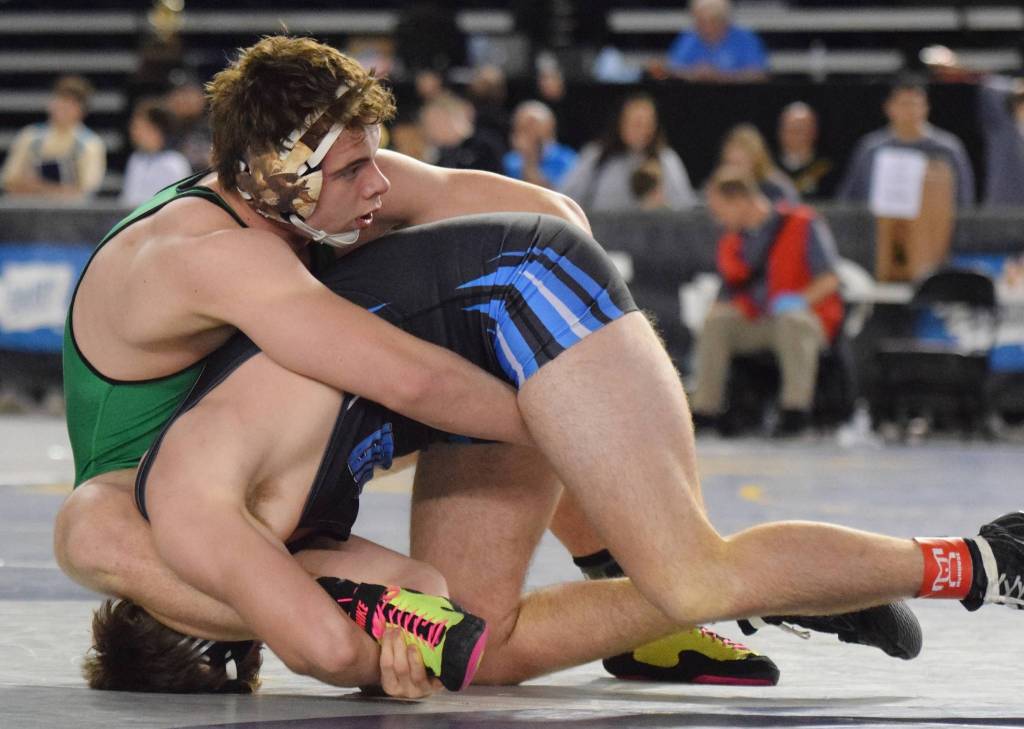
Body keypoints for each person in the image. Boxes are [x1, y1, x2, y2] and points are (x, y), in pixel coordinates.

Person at [57, 36, 1024, 699]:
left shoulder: (266, 244)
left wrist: (593, 432)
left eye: (367, 159)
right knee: (474, 645)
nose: (379, 186)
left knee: (687, 569)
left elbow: (458, 341)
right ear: (276, 176)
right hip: (425, 377)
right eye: (355, 169)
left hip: (493, 321)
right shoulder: (232, 266)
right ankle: (725, 583)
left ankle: (986, 562)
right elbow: (413, 572)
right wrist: (401, 623)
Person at [690, 166, 843, 436]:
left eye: (720, 209)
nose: (717, 219)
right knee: (717, 323)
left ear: (739, 201)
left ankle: (794, 412)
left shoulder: (803, 223)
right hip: (760, 322)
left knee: (791, 321)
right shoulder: (733, 241)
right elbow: (729, 292)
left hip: (805, 319)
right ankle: (705, 411)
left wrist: (799, 300)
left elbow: (830, 279)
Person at [837, 76, 975, 208]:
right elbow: (850, 197)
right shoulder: (872, 148)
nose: (910, 111)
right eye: (904, 104)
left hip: (934, 226)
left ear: (926, 107)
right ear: (889, 108)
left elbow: (964, 199)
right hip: (881, 227)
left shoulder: (947, 148)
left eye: (915, 104)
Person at [560, 93, 697, 211]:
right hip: (602, 234)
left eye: (648, 124)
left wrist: (665, 206)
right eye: (636, 123)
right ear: (620, 123)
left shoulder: (666, 159)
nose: (643, 130)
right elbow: (568, 198)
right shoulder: (597, 155)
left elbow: (685, 205)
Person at [1, 75, 106, 199]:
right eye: (61, 100)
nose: (64, 108)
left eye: (71, 104)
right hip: (29, 209)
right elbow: (8, 181)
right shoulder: (30, 136)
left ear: (82, 110)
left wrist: (37, 187)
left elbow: (87, 191)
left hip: (71, 214)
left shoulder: (90, 144)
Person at [665, 0, 768, 83]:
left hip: (739, 99)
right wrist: (693, 74)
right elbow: (673, 70)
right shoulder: (687, 38)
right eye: (701, 22)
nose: (707, 28)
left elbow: (759, 74)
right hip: (695, 99)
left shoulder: (746, 39)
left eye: (713, 21)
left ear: (726, 20)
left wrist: (722, 76)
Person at [119, 99, 192, 208]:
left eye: (139, 126)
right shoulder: (136, 159)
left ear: (156, 129)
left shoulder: (174, 163)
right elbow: (128, 199)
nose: (133, 131)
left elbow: (176, 204)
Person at [419, 91, 505, 174]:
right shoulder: (440, 154)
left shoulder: (484, 146)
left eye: (432, 123)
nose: (429, 131)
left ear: (447, 118)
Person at [503, 100, 577, 190]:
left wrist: (529, 161)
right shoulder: (510, 161)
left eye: (532, 125)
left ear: (550, 128)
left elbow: (554, 196)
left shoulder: (567, 159)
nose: (528, 133)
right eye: (521, 127)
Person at [720, 123, 800, 203]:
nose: (735, 170)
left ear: (757, 158)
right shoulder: (719, 188)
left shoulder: (777, 187)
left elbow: (793, 210)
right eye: (730, 163)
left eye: (739, 163)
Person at [776, 102, 836, 200]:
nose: (796, 136)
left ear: (814, 132)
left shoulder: (826, 170)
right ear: (780, 131)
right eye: (791, 129)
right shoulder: (770, 168)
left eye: (801, 130)